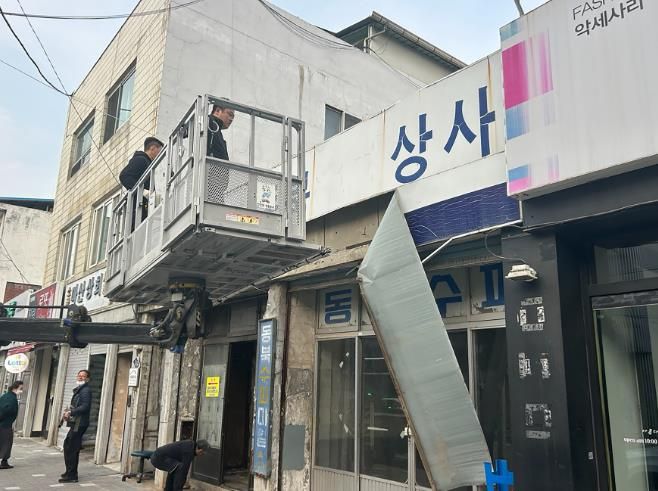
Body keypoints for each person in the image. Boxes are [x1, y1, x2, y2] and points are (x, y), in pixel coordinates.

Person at [59, 370, 92, 483]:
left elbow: (85, 406)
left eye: (83, 376)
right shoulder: (80, 389)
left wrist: (71, 412)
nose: (80, 377)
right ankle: (69, 472)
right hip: (77, 422)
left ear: (87, 379)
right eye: (79, 375)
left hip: (80, 423)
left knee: (71, 448)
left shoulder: (85, 390)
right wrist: (69, 412)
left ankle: (72, 475)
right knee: (68, 446)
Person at [0, 381, 23, 470]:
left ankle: (4, 462)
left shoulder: (5, 396)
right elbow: (6, 410)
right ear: (15, 388)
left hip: (4, 423)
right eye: (20, 388)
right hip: (6, 424)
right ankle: (4, 462)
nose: (21, 391)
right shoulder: (12, 398)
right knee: (7, 443)